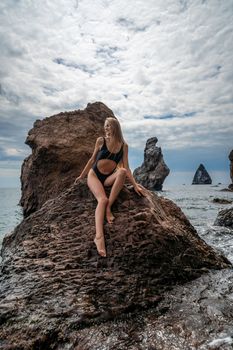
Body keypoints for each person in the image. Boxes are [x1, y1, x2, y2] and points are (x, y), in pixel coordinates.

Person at [75, 117, 146, 257]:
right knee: (102, 199)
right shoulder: (101, 141)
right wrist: (81, 176)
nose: (106, 128)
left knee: (122, 172)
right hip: (94, 175)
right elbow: (92, 159)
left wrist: (135, 185)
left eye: (108, 126)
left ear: (115, 127)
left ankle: (109, 208)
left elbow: (127, 167)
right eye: (105, 126)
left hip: (108, 178)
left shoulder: (123, 146)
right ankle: (99, 237)